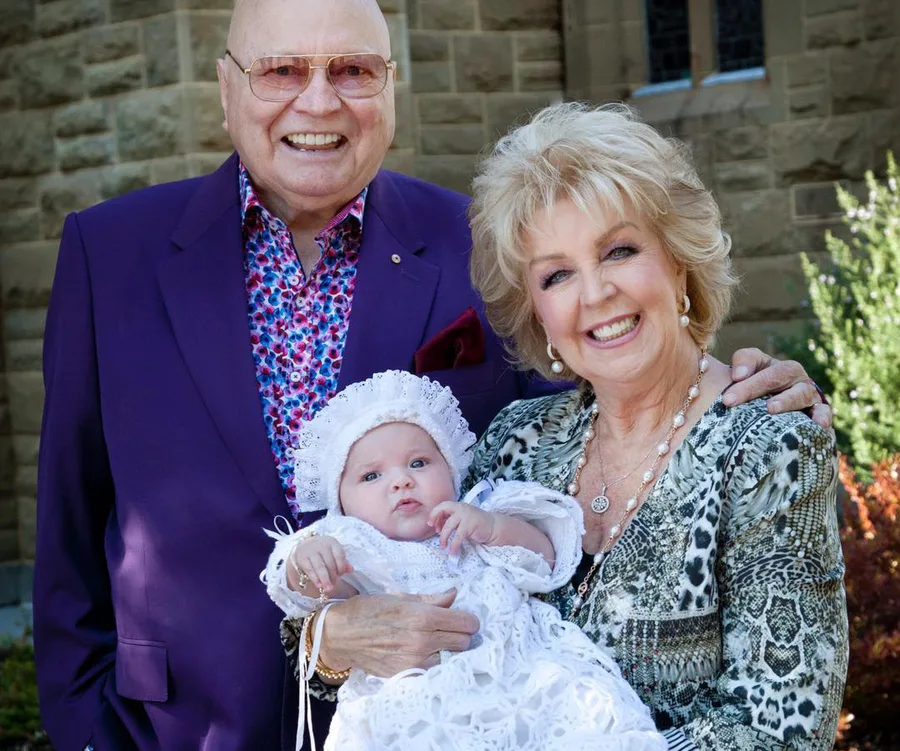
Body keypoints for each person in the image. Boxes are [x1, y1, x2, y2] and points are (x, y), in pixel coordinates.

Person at [32, 0, 831, 744]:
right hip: (177, 727)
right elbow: (69, 535)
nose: (318, 102)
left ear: (390, 86)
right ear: (227, 86)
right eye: (281, 71)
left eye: (352, 70)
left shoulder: (477, 242)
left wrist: (746, 383)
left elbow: (612, 384)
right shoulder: (109, 255)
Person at [298, 103, 848, 750]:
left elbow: (780, 730)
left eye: (619, 250)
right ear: (538, 312)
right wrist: (323, 638)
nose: (594, 294)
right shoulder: (515, 443)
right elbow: (396, 574)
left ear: (678, 264)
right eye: (557, 274)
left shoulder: (766, 443)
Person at [264, 370, 667, 751]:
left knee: (580, 716)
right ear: (341, 504)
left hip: (517, 672)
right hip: (415, 697)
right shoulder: (356, 546)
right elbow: (313, 593)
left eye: (418, 463)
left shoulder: (473, 519)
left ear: (452, 470)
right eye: (371, 476)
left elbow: (545, 559)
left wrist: (492, 527)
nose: (401, 481)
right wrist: (308, 561)